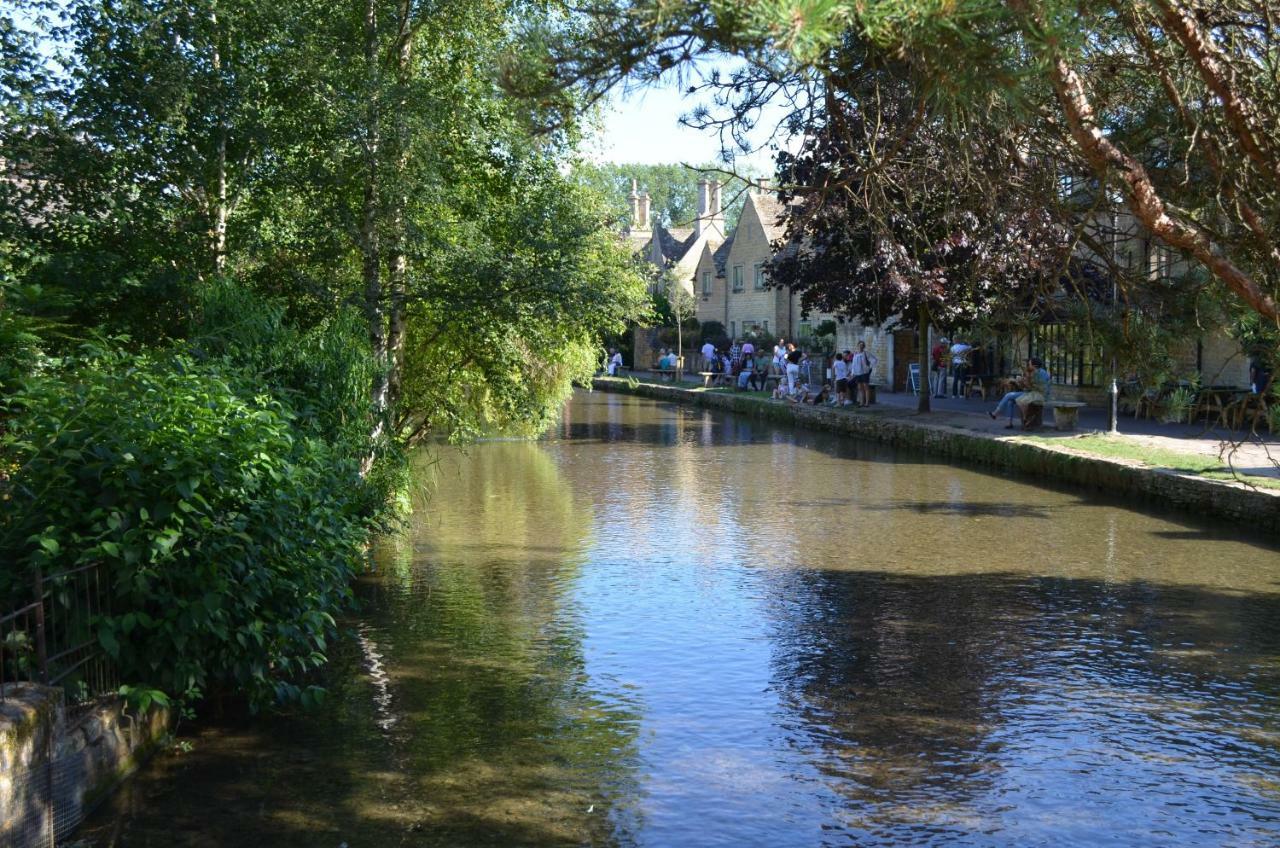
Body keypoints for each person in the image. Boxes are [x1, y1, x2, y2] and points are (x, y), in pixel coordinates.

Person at [989, 357, 1050, 428]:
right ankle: (1008, 423)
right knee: (1010, 401)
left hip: (1034, 394)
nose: (1027, 365)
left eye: (1029, 364)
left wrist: (1022, 382)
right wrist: (1020, 382)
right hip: (1032, 393)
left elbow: (1031, 387)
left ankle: (996, 413)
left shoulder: (1036, 374)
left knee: (1009, 395)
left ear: (1034, 366)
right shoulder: (1039, 371)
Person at [851, 341, 878, 406]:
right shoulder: (855, 354)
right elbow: (853, 364)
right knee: (860, 388)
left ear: (864, 346)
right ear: (857, 346)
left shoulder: (866, 353)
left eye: (862, 345)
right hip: (857, 373)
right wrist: (853, 372)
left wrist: (869, 367)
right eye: (860, 345)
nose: (861, 346)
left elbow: (874, 360)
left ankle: (867, 403)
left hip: (864, 373)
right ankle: (861, 402)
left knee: (866, 387)